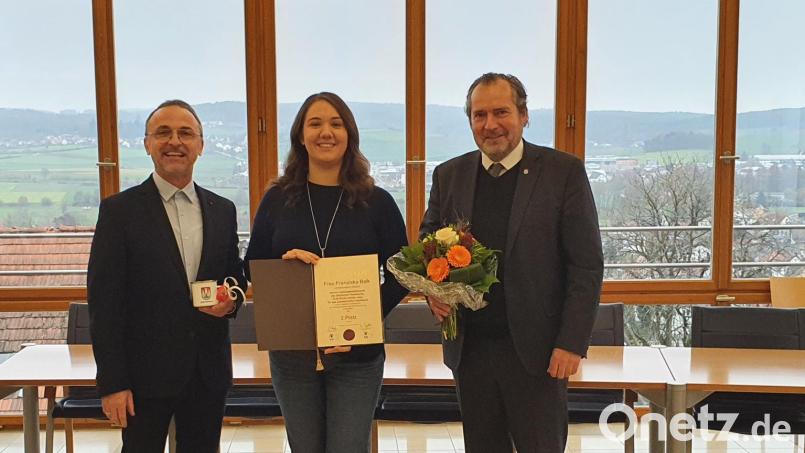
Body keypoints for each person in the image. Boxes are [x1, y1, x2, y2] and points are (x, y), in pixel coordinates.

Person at [420, 73, 604, 453]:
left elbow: (585, 265)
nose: (490, 125)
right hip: (470, 350)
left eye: (501, 112)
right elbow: (427, 245)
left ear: (524, 115)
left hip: (539, 354)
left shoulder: (562, 172)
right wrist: (431, 292)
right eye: (479, 114)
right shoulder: (449, 175)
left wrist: (571, 343)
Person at [244, 92, 408, 452]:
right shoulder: (277, 198)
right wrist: (285, 265)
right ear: (300, 136)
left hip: (357, 355)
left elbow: (402, 273)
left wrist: (365, 318)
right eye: (314, 123)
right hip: (293, 355)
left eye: (336, 123)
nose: (326, 132)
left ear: (349, 134)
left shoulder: (377, 202)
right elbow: (253, 267)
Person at [87, 99, 247, 453]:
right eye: (163, 132)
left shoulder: (222, 210)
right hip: (142, 379)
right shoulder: (119, 212)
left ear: (201, 146)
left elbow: (234, 276)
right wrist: (112, 383)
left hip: (207, 374)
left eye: (185, 133)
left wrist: (231, 300)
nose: (175, 141)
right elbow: (104, 304)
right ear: (147, 144)